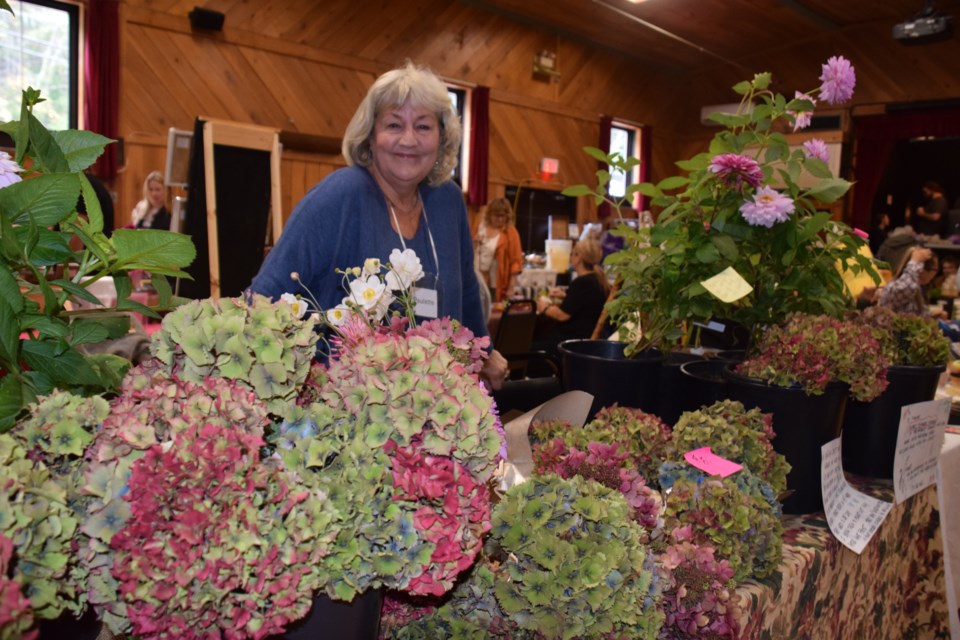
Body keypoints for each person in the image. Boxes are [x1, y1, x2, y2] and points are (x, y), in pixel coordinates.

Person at [248, 61, 506, 389]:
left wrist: (484, 350)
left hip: (438, 401)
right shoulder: (337, 197)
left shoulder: (448, 201)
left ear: (442, 140)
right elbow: (262, 298)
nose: (409, 140)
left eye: (424, 127)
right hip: (345, 412)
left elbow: (466, 290)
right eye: (394, 125)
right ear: (370, 137)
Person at [532, 236, 611, 357]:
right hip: (587, 338)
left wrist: (543, 307)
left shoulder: (583, 282)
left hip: (572, 342)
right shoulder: (597, 280)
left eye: (573, 253)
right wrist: (566, 295)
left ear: (579, 257)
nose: (571, 257)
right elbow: (586, 301)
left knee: (531, 344)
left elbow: (562, 315)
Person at [471, 197, 523, 302]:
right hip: (478, 281)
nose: (499, 219)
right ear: (489, 214)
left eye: (502, 216)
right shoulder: (481, 227)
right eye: (496, 215)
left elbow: (516, 262)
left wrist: (511, 287)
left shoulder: (511, 233)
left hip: (497, 284)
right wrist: (474, 242)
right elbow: (469, 252)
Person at [877, 246, 944, 317]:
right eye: (934, 269)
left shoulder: (916, 287)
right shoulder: (896, 286)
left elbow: (913, 315)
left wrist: (931, 316)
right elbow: (905, 288)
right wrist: (915, 261)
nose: (934, 274)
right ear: (922, 269)